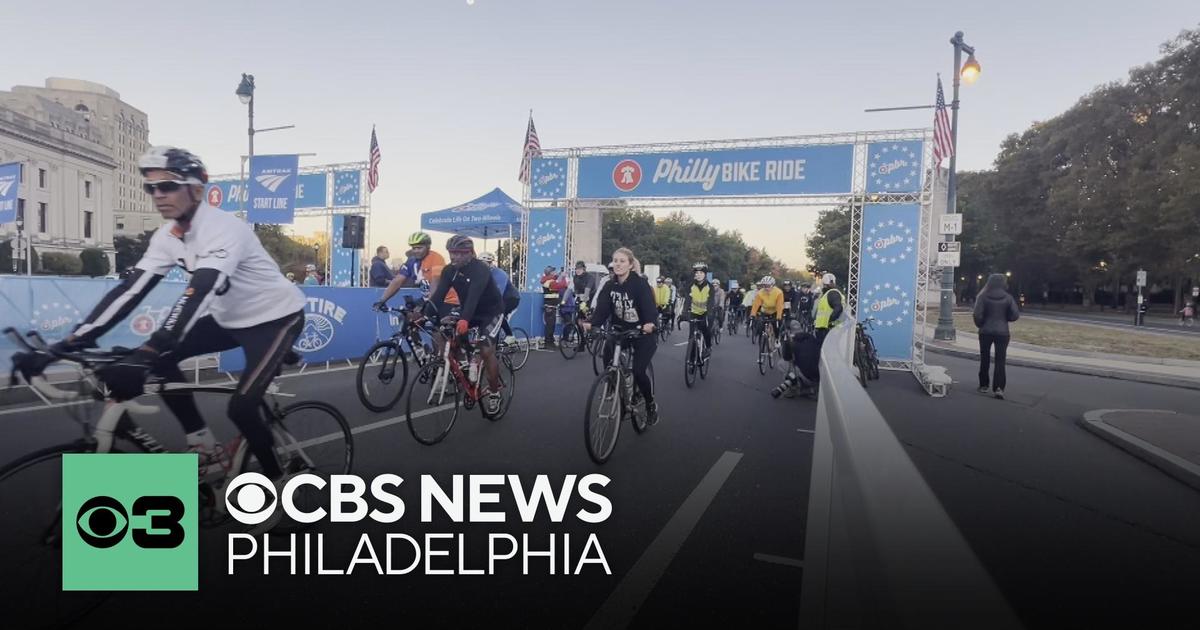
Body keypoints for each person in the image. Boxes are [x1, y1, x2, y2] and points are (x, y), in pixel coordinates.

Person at [29, 146, 307, 532]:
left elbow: (200, 289)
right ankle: (202, 446)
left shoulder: (224, 228)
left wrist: (149, 347)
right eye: (151, 188)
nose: (158, 195)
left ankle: (274, 485)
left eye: (168, 186)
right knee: (160, 359)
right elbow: (130, 291)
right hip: (230, 319)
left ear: (195, 189)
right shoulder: (168, 235)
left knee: (242, 408)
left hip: (277, 319)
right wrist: (65, 345)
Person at [429, 235, 506, 414]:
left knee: (486, 351)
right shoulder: (449, 270)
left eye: (459, 254)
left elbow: (473, 296)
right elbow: (439, 296)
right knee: (449, 337)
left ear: (470, 253)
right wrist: (423, 314)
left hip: (490, 312)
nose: (454, 257)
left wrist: (464, 319)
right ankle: (467, 364)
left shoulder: (481, 269)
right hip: (468, 310)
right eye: (451, 253)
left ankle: (494, 393)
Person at [582, 247, 659, 425]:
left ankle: (650, 404)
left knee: (639, 371)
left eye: (622, 261)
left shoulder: (640, 284)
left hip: (642, 332)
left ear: (630, 265)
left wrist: (649, 324)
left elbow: (649, 309)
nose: (618, 264)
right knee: (609, 353)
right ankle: (613, 382)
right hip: (620, 331)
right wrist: (593, 324)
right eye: (615, 261)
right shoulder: (610, 285)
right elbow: (602, 309)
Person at [973, 273, 1020, 399]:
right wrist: (1006, 319)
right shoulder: (1008, 298)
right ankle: (999, 388)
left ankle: (984, 385)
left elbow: (977, 315)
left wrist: (981, 324)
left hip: (985, 331)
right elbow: (1015, 315)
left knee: (985, 358)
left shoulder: (982, 296)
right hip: (1002, 332)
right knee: (1000, 360)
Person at [479, 251, 522, 339]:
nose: (481, 267)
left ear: (490, 263)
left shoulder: (499, 274)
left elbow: (497, 294)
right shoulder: (482, 274)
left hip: (511, 298)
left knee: (498, 315)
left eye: (484, 264)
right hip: (500, 298)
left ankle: (510, 336)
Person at [773, 323, 821, 399]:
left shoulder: (792, 342)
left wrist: (786, 342)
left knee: (781, 364)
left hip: (806, 377)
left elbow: (786, 357)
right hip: (819, 376)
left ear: (789, 331)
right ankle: (813, 388)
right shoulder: (811, 337)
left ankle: (793, 389)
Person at [682, 263, 716, 358]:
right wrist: (684, 313)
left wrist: (709, 313)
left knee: (705, 330)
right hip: (694, 312)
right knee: (691, 337)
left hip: (705, 312)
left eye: (701, 272)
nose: (698, 275)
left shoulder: (710, 287)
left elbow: (710, 301)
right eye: (696, 273)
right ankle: (692, 359)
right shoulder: (690, 286)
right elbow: (688, 300)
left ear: (705, 274)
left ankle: (708, 347)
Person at [812, 273, 843, 347]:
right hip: (824, 328)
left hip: (827, 329)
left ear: (824, 283)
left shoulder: (832, 293)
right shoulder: (828, 293)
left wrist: (830, 322)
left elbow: (838, 308)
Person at [540, 265, 568, 347]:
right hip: (550, 306)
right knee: (550, 325)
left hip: (551, 306)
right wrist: (562, 277)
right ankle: (548, 342)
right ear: (550, 273)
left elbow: (556, 280)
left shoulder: (548, 280)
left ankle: (550, 341)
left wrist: (559, 275)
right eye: (553, 271)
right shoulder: (549, 282)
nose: (555, 273)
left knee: (551, 324)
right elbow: (560, 285)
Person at [751, 275, 785, 340]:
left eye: (768, 286)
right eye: (764, 286)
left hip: (775, 311)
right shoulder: (760, 293)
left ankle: (777, 339)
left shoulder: (778, 292)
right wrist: (752, 315)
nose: (766, 288)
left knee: (776, 325)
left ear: (772, 285)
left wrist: (778, 317)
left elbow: (779, 306)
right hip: (765, 311)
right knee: (759, 324)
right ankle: (761, 338)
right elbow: (756, 305)